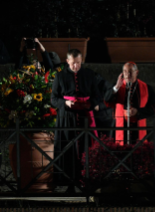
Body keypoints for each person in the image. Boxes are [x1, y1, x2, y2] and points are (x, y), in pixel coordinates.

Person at [51, 49, 100, 193]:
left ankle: (88, 182)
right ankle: (70, 184)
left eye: (78, 63)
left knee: (87, 149)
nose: (76, 67)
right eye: (73, 64)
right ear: (67, 62)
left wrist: (90, 104)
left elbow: (97, 95)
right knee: (69, 150)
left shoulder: (89, 75)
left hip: (85, 117)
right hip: (67, 118)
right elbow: (53, 99)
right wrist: (65, 104)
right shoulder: (60, 76)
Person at [104, 62, 155, 145]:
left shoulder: (147, 88)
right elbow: (106, 100)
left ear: (136, 72)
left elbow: (153, 108)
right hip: (121, 127)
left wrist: (137, 111)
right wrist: (116, 87)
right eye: (125, 71)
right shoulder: (117, 86)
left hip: (138, 128)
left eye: (130, 71)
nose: (127, 74)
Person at [93, 72, 115, 139]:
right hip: (98, 116)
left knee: (107, 139)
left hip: (106, 117)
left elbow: (112, 99)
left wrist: (99, 106)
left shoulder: (105, 84)